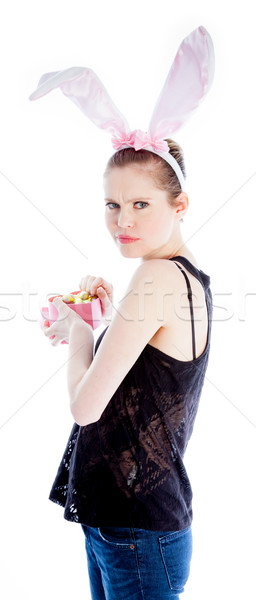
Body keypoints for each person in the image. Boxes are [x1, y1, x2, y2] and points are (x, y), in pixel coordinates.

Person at [32, 25, 215, 600]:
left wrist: (83, 327)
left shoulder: (159, 276)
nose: (122, 222)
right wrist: (93, 322)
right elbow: (133, 377)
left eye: (141, 204)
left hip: (138, 527)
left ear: (179, 204)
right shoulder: (179, 276)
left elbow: (86, 406)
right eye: (112, 205)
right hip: (124, 521)